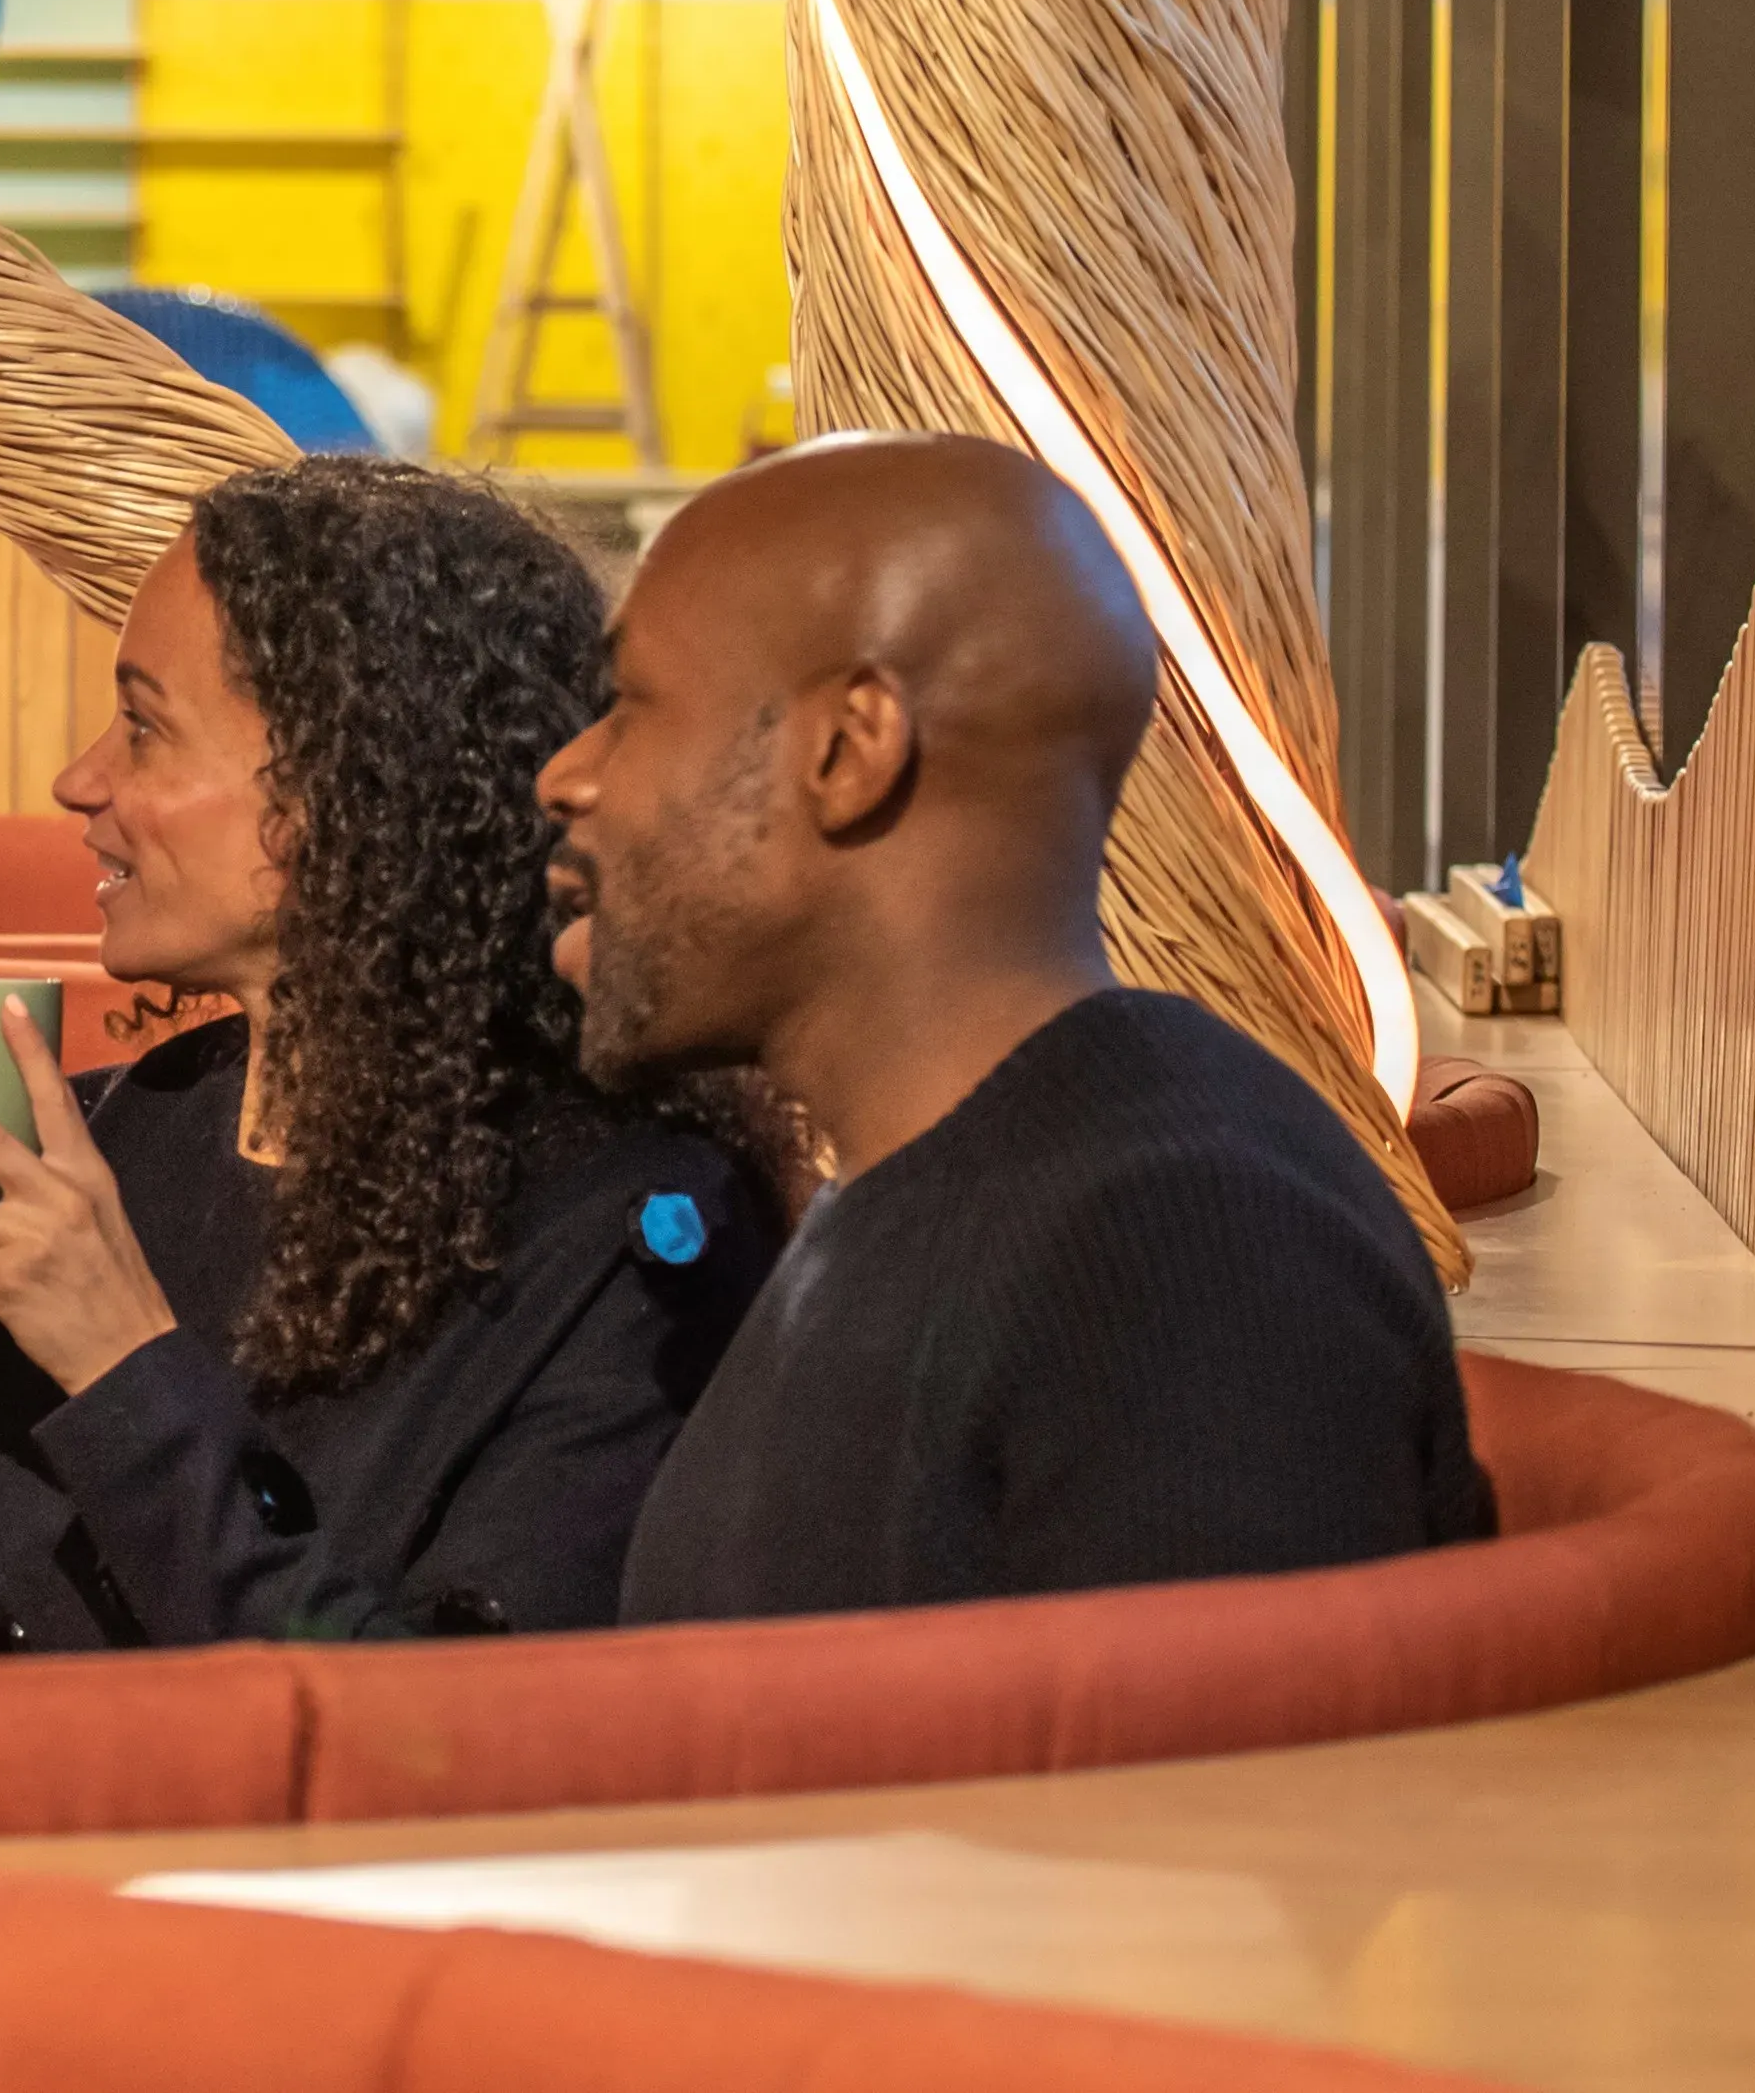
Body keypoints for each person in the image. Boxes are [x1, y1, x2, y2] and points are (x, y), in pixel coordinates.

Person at [0, 458, 775, 1655]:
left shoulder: (620, 1234)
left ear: (339, 783)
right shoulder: (88, 1146)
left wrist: (119, 1365)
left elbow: (451, 1743)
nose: (78, 779)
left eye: (143, 727)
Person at [539, 432, 1495, 1620]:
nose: (563, 776)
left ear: (846, 752)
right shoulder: (939, 1192)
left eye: (629, 704)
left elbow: (1220, 1800)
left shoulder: (1172, 1250)